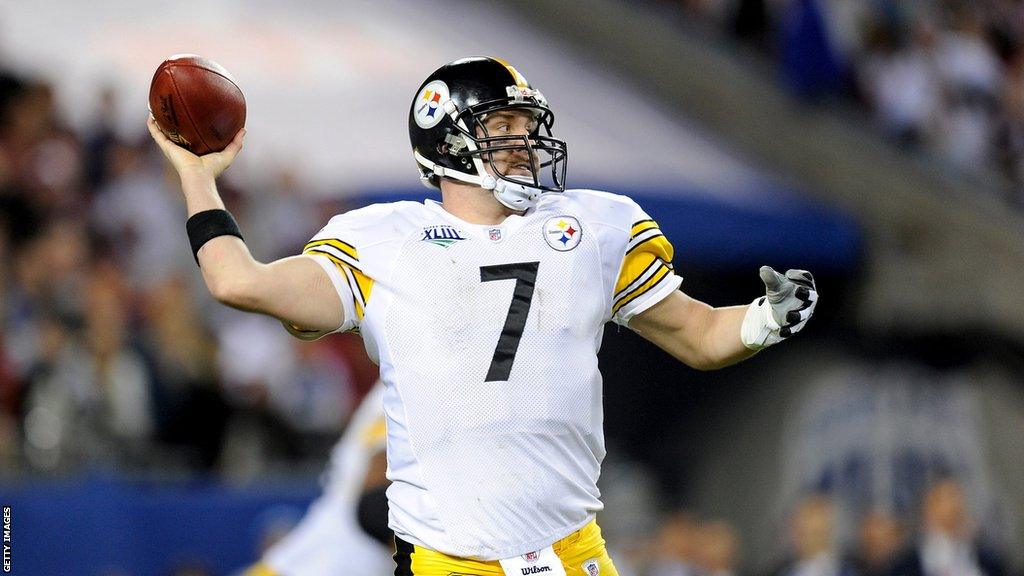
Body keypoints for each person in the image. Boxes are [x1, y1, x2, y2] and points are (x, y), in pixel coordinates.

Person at [147, 56, 819, 576]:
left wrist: (764, 320)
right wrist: (197, 176)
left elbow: (699, 335)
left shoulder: (591, 226)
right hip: (448, 557)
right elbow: (238, 281)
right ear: (445, 142)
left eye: (527, 128)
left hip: (569, 549)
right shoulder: (385, 240)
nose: (523, 144)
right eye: (501, 128)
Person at [243, 381, 393, 576]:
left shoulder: (404, 376)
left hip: (332, 552)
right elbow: (375, 501)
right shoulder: (417, 378)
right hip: (339, 560)